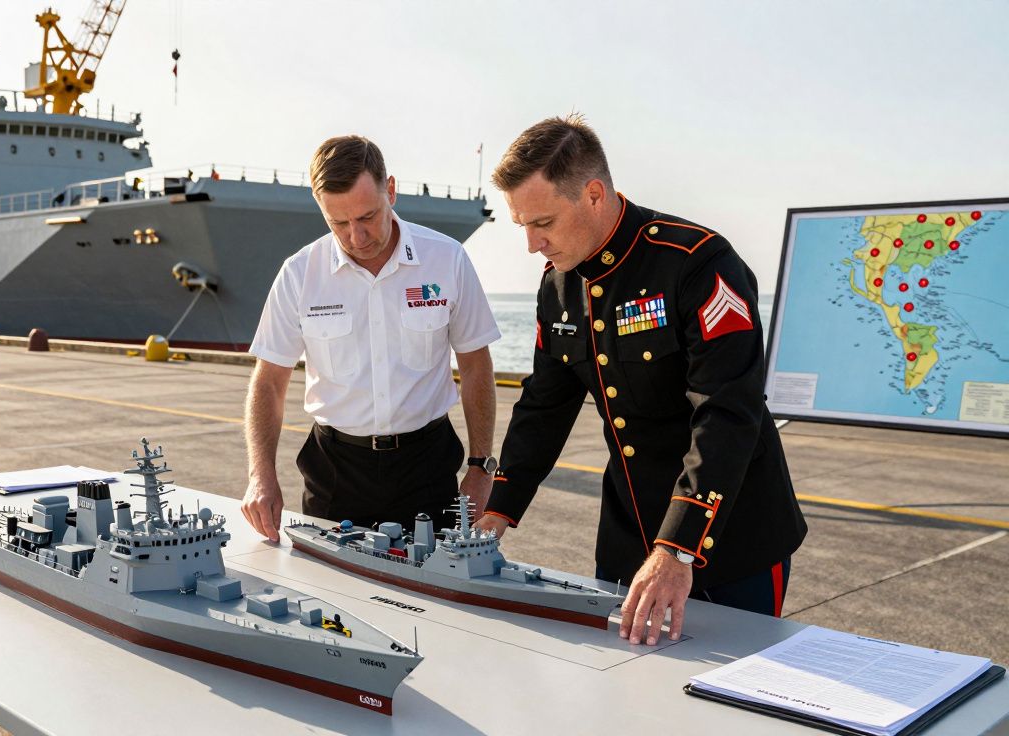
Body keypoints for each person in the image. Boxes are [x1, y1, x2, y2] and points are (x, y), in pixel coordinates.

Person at [475, 115, 807, 646]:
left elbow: (727, 411)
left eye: (543, 223)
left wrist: (678, 548)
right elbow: (544, 404)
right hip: (630, 537)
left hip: (729, 538)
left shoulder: (697, 264)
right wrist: (500, 508)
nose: (532, 245)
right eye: (522, 227)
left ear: (593, 194)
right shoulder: (559, 286)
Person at [243, 135, 502, 542]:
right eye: (339, 223)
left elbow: (475, 365)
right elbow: (269, 381)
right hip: (335, 473)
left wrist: (481, 467)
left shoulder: (446, 259)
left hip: (428, 468)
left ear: (391, 190)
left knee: (436, 594)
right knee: (332, 598)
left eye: (367, 217)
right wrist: (261, 476)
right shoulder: (299, 274)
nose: (356, 237)